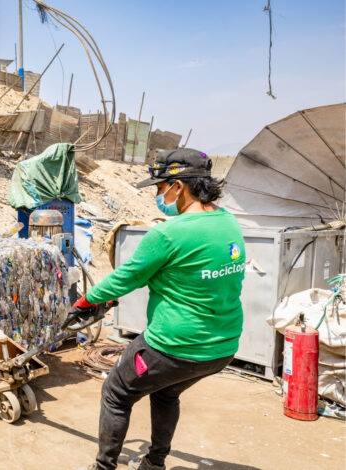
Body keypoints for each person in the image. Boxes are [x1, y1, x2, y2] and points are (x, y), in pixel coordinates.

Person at [74, 149, 246, 470]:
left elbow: (127, 277)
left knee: (116, 392)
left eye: (159, 187)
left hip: (175, 347)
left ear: (178, 186)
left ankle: (103, 467)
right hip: (222, 348)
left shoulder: (168, 233)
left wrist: (86, 302)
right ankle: (154, 464)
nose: (157, 195)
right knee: (165, 392)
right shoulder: (229, 224)